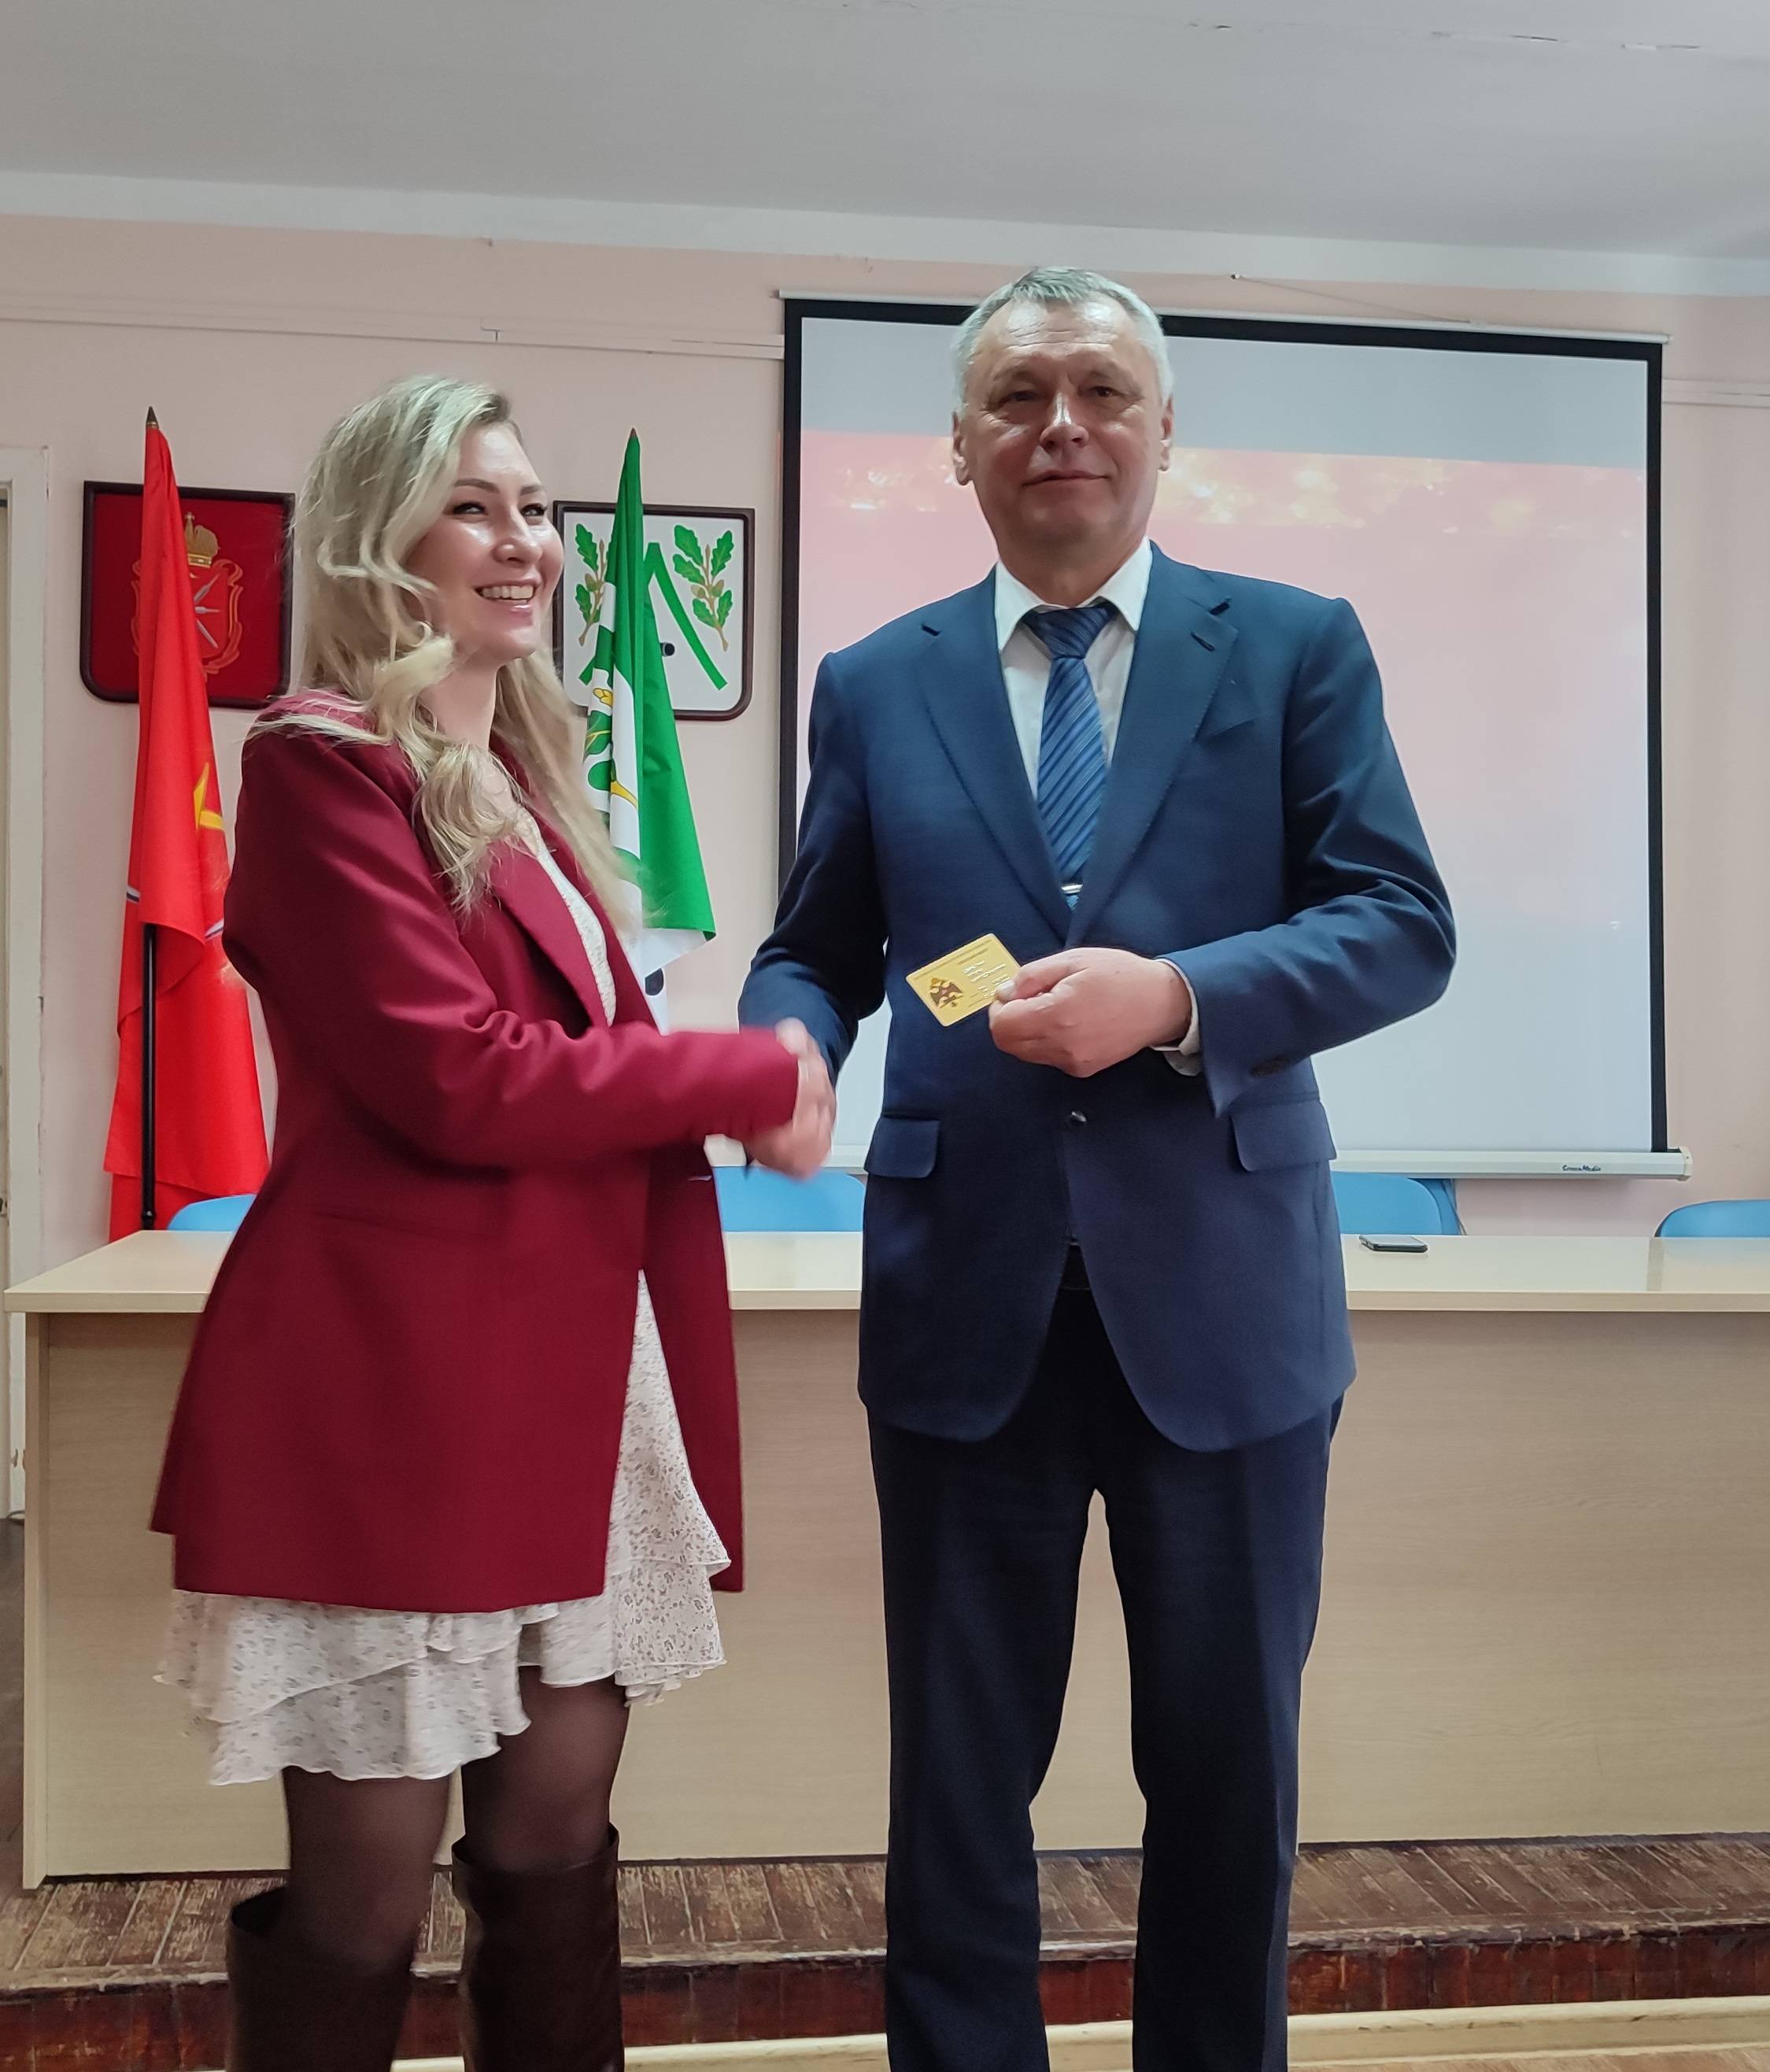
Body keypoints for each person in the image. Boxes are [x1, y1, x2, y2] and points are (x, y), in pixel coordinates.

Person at [741, 268, 1454, 2072]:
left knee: (1227, 1772)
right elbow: (816, 944)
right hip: (963, 1300)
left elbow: (1399, 923)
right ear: (960, 446)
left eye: (1102, 390)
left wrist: (1179, 998)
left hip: (1224, 1303)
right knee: (958, 1779)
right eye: (1019, 395)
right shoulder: (875, 682)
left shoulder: (1293, 646)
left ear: (1162, 429)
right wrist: (790, 1045)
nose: (1061, 423)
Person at [150, 374, 833, 2072]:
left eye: (534, 508)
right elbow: (459, 1078)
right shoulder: (321, 762)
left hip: (571, 1376)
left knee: (554, 1850)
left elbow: (564, 1059)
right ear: (377, 540)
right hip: (398, 1394)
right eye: (474, 506)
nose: (523, 541)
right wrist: (744, 1072)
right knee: (363, 1904)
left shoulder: (518, 773)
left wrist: (717, 1078)